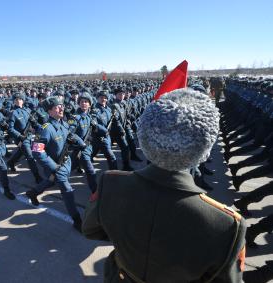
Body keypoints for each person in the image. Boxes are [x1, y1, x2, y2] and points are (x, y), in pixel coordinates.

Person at [82, 88, 247, 283]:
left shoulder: (111, 184)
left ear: (144, 138)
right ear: (205, 150)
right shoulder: (226, 224)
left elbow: (91, 230)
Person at [26, 96, 86, 231]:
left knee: (50, 181)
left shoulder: (63, 123)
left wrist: (80, 142)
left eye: (61, 106)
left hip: (65, 162)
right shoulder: (46, 129)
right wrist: (54, 167)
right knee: (67, 191)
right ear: (49, 111)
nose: (61, 108)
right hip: (55, 166)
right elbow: (37, 151)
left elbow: (70, 135)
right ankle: (77, 219)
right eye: (56, 107)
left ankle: (33, 193)